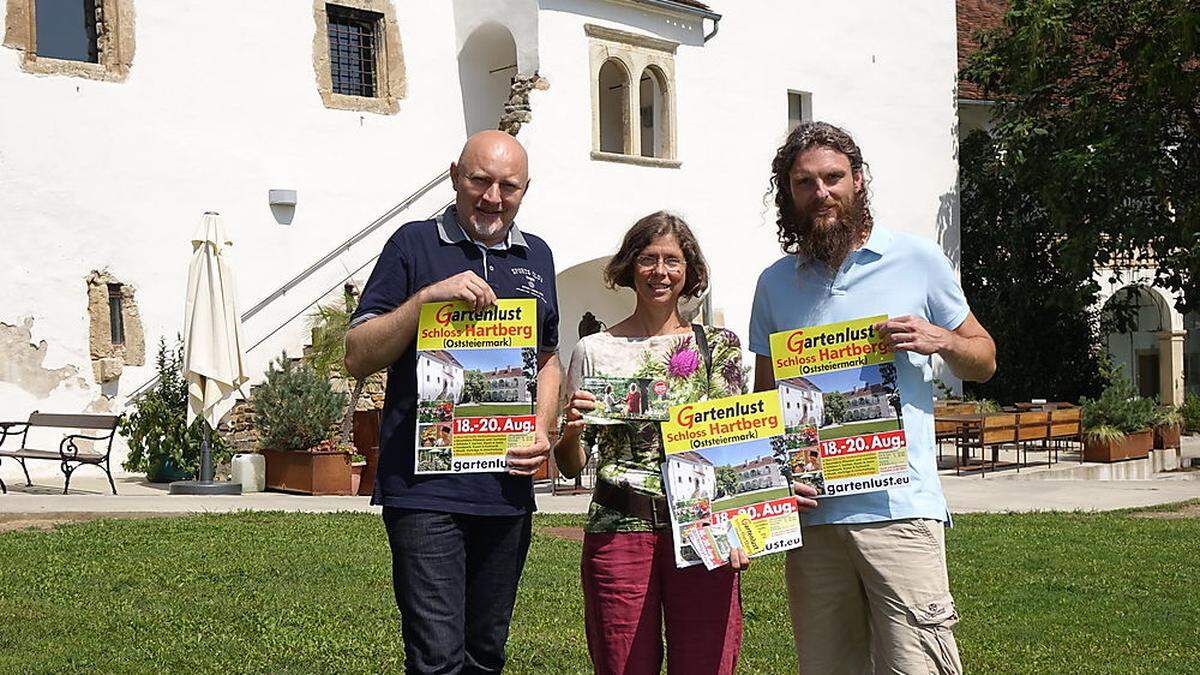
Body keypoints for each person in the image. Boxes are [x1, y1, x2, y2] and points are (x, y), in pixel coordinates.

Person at [749, 121, 996, 674]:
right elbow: (763, 401)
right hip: (812, 521)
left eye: (834, 178)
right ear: (788, 193)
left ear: (858, 180)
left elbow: (984, 358)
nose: (822, 193)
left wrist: (943, 340)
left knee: (919, 668)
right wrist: (772, 480)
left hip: (900, 511)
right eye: (805, 182)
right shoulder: (774, 283)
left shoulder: (917, 259)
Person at [344, 130, 561, 674]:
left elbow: (548, 357)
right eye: (479, 180)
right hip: (424, 491)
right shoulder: (412, 244)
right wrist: (423, 301)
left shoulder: (538, 256)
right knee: (437, 659)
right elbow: (357, 354)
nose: (492, 197)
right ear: (454, 176)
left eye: (507, 186)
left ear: (525, 189)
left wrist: (542, 427)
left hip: (506, 489)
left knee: (486, 655)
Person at [554, 212, 748, 675]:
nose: (660, 271)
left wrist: (741, 526)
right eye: (648, 259)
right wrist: (572, 431)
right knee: (622, 664)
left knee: (705, 664)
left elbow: (736, 446)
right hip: (619, 528)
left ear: (690, 270)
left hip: (703, 531)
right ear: (629, 267)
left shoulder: (716, 347)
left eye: (672, 260)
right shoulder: (594, 350)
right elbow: (570, 465)